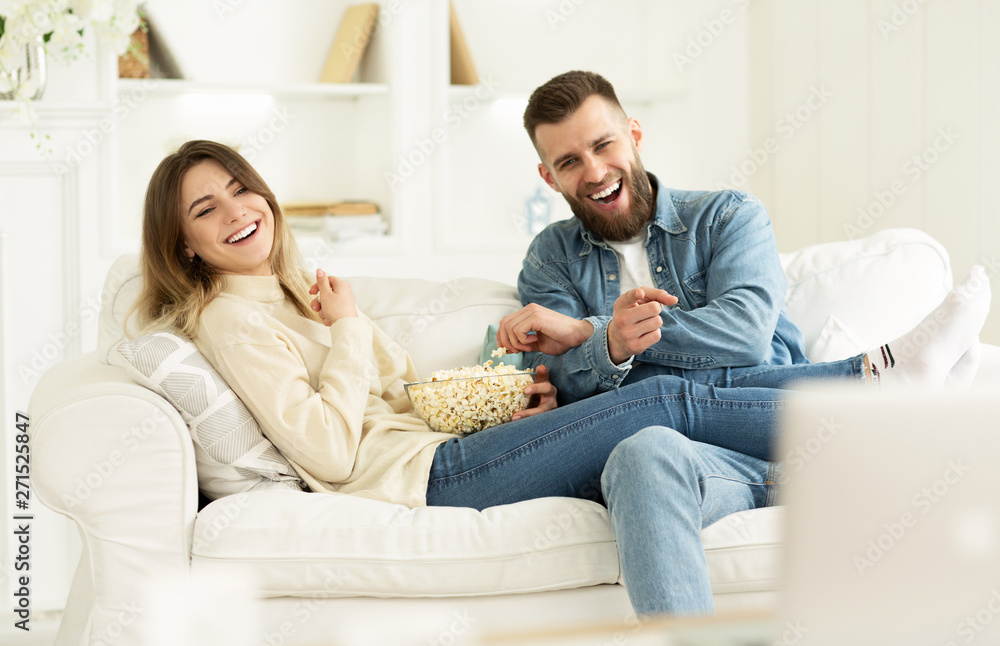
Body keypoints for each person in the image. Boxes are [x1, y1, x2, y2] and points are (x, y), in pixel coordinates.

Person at [128, 140, 986, 617]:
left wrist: (509, 391)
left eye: (244, 191)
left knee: (655, 419)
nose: (240, 212)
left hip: (446, 453)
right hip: (421, 483)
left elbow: (392, 398)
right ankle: (875, 380)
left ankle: (870, 397)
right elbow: (326, 445)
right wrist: (351, 329)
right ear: (184, 246)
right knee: (652, 398)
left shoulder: (289, 296)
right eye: (208, 209)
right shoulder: (228, 316)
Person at [498, 70, 989, 404]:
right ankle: (881, 377)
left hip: (755, 422)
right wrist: (604, 352)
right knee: (644, 447)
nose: (595, 171)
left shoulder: (728, 216)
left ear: (635, 135)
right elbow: (555, 382)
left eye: (604, 145)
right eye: (569, 162)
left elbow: (748, 337)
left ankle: (886, 377)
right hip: (650, 441)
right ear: (548, 178)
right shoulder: (550, 257)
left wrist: (600, 339)